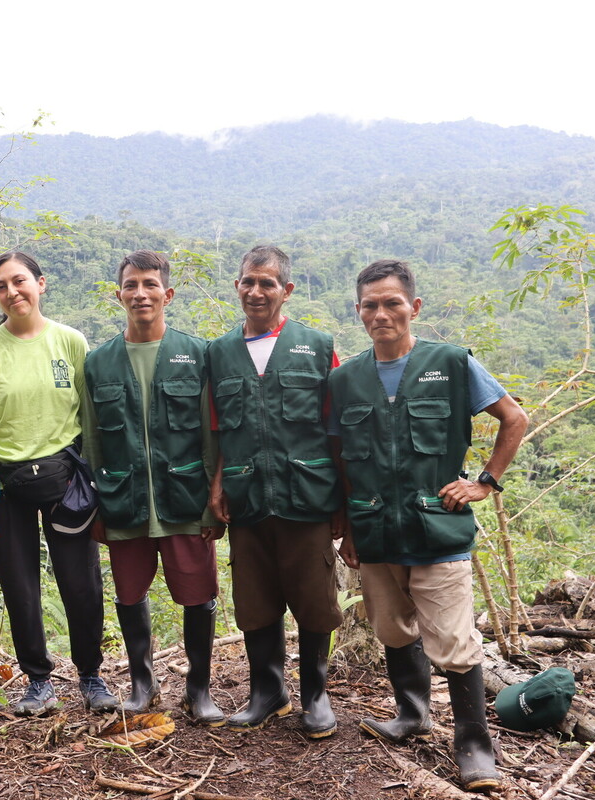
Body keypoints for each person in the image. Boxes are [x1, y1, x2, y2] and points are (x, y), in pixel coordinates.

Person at [330, 260, 528, 792]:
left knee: (454, 641)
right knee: (392, 628)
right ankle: (412, 713)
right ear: (359, 313)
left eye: (392, 302)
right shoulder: (345, 379)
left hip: (438, 527)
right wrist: (347, 526)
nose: (381, 313)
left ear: (413, 307)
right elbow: (343, 459)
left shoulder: (451, 363)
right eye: (370, 304)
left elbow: (515, 419)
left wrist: (485, 482)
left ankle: (474, 746)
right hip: (374, 531)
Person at [0, 251, 117, 717]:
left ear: (41, 284)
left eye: (20, 281)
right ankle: (38, 681)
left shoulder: (70, 341)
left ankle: (91, 675)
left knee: (81, 581)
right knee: (20, 585)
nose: (12, 292)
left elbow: (89, 419)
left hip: (66, 479)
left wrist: (98, 486)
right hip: (8, 483)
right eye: (2, 287)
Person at [83, 250, 226, 727]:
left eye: (149, 284)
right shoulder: (99, 361)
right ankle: (143, 685)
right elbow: (92, 439)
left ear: (167, 294)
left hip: (185, 497)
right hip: (125, 499)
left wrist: (214, 497)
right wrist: (99, 503)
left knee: (197, 591)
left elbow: (212, 433)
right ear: (118, 294)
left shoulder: (197, 353)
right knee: (129, 593)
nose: (139, 293)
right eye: (130, 285)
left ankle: (199, 688)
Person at [207, 245, 343, 738]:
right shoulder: (219, 352)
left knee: (314, 600)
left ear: (285, 290)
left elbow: (336, 428)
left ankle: (315, 695)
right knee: (255, 600)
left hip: (305, 495)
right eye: (248, 281)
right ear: (238, 287)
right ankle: (267, 693)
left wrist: (342, 503)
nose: (256, 291)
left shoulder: (316, 344)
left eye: (267, 283)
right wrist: (220, 481)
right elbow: (218, 428)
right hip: (247, 496)